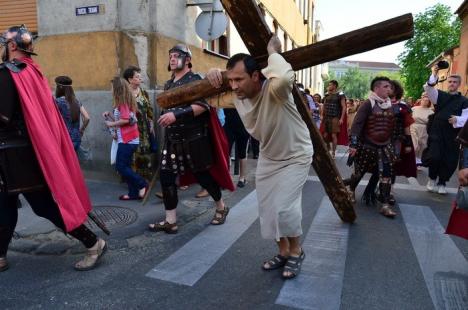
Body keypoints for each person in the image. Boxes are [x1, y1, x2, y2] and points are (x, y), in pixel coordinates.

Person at [0, 25, 106, 272]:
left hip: (16, 155)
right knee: (4, 204)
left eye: (4, 42)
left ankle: (93, 243)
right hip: (20, 152)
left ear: (12, 46)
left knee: (43, 205)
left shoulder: (7, 73)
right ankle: (1, 254)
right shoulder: (32, 71)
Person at [207, 35, 313, 279]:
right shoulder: (235, 96)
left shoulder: (275, 90)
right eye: (230, 80)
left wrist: (273, 51)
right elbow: (207, 96)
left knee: (284, 208)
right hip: (269, 156)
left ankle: (297, 251)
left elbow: (285, 76)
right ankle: (284, 251)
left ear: (256, 76)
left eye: (239, 79)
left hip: (296, 154)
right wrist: (212, 73)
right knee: (267, 210)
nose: (233, 85)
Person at [148, 44, 233, 234]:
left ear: (187, 60)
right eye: (170, 55)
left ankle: (221, 207)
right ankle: (171, 221)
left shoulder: (195, 80)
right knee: (167, 177)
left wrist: (176, 115)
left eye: (176, 55)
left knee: (204, 177)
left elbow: (204, 105)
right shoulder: (169, 84)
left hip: (194, 139)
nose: (171, 58)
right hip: (172, 140)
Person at [345, 76, 398, 217]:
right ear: (377, 88)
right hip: (367, 146)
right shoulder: (368, 104)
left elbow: (393, 128)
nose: (389, 89)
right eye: (386, 86)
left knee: (386, 176)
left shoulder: (391, 105)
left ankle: (385, 204)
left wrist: (395, 147)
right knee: (359, 173)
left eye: (390, 87)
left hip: (385, 147)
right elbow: (357, 125)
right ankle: (351, 190)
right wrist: (354, 145)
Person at [423, 65, 468, 194]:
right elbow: (429, 88)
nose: (452, 84)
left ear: (459, 84)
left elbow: (466, 118)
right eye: (450, 82)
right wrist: (434, 74)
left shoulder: (464, 101)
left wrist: (457, 120)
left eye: (454, 82)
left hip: (453, 134)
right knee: (434, 156)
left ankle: (442, 182)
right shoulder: (439, 95)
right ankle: (432, 178)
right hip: (437, 131)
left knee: (449, 159)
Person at [103, 77, 148, 201]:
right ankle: (133, 193)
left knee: (121, 167)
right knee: (125, 166)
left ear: (117, 88)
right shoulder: (124, 101)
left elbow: (126, 120)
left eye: (112, 87)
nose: (110, 89)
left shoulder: (123, 102)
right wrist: (111, 116)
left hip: (128, 140)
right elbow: (124, 119)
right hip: (128, 139)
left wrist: (110, 124)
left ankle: (142, 184)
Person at [123, 66, 155, 181]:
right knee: (132, 154)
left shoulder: (144, 92)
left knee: (145, 152)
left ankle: (145, 179)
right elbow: (119, 112)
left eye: (140, 76)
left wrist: (151, 123)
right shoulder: (124, 94)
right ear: (130, 79)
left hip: (144, 129)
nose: (140, 78)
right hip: (130, 129)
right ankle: (134, 180)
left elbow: (149, 109)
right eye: (137, 76)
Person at [54, 76, 90, 152]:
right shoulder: (76, 101)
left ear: (60, 87)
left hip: (64, 139)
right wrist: (81, 130)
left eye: (56, 86)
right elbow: (87, 118)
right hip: (76, 138)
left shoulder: (57, 102)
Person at [224, 107, 250, 187]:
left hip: (243, 125)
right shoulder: (225, 96)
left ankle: (242, 178)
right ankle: (227, 179)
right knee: (226, 153)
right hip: (228, 125)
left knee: (242, 153)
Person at [321, 80, 346, 158]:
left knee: (333, 135)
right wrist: (322, 114)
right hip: (326, 117)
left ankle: (333, 153)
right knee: (324, 135)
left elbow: (344, 107)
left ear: (335, 86)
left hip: (335, 117)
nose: (329, 86)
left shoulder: (340, 94)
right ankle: (328, 147)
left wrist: (341, 118)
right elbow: (324, 105)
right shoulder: (326, 94)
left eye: (330, 85)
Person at [411, 93, 434, 167]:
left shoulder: (431, 112)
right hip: (413, 128)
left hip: (424, 129)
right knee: (414, 145)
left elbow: (432, 124)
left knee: (422, 146)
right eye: (423, 96)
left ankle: (418, 160)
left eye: (427, 97)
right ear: (421, 98)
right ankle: (412, 160)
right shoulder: (414, 109)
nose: (425, 99)